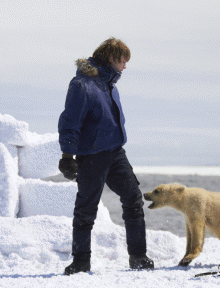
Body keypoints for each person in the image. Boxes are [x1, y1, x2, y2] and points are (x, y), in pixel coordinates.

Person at [58, 37, 154, 275]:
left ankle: (138, 257)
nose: (125, 66)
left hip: (115, 152)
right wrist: (67, 155)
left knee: (133, 198)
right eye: (123, 61)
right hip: (91, 156)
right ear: (112, 58)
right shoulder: (82, 85)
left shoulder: (109, 84)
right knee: (86, 209)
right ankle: (81, 261)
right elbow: (70, 121)